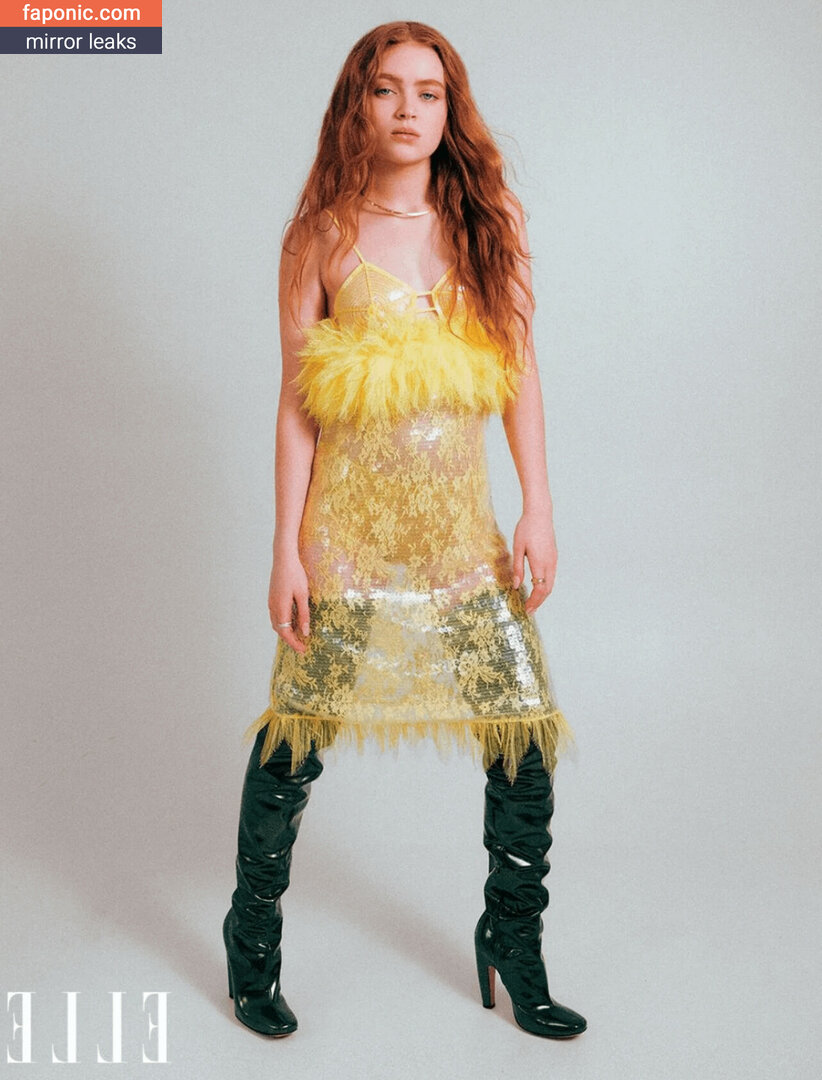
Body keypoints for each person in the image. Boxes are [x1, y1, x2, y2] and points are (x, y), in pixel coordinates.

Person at [222, 20, 587, 1041]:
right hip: (349, 535)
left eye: (429, 92)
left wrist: (538, 506)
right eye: (387, 89)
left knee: (523, 737)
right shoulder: (319, 235)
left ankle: (512, 939)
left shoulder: (489, 220)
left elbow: (520, 371)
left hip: (459, 538)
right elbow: (297, 405)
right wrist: (285, 548)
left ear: (449, 108)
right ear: (360, 104)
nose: (408, 110)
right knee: (296, 738)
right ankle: (252, 940)